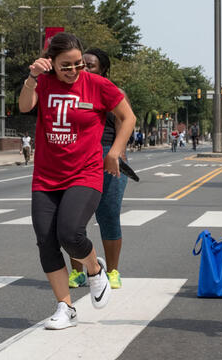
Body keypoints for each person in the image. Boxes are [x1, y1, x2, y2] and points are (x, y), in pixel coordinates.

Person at [18, 32, 136, 330]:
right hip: (46, 176)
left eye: (78, 65)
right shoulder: (43, 82)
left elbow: (128, 117)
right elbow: (23, 106)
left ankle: (95, 270)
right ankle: (65, 307)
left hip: (84, 172)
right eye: (65, 66)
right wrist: (31, 77)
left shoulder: (98, 85)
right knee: (46, 241)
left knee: (70, 233)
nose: (73, 72)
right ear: (52, 63)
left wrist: (116, 152)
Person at [66, 48, 129, 290]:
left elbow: (126, 121)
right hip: (77, 156)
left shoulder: (113, 92)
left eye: (90, 65)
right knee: (73, 219)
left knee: (109, 216)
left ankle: (113, 272)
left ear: (102, 69)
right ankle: (76, 272)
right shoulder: (70, 91)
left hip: (106, 157)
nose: (84, 68)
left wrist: (117, 152)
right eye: (82, 64)